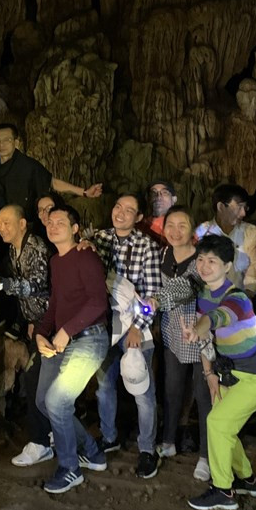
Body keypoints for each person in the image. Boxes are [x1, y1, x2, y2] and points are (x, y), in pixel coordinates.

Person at [182, 235, 256, 510]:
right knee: (223, 429)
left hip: (254, 377)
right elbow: (207, 339)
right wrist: (209, 374)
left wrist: (199, 327)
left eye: (212, 261)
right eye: (200, 259)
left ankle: (223, 491)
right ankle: (247, 479)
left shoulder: (238, 298)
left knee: (217, 424)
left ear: (228, 266)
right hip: (228, 374)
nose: (204, 266)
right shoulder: (204, 295)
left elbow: (218, 317)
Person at [34, 206, 109, 494]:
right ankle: (91, 451)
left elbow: (98, 302)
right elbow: (56, 302)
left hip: (89, 339)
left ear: (75, 229)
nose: (53, 226)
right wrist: (41, 333)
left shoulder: (85, 256)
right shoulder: (56, 261)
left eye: (61, 222)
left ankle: (70, 469)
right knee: (44, 401)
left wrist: (66, 331)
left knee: (57, 401)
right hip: (62, 340)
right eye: (50, 222)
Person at [89, 193, 163, 479]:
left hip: (134, 324)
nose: (120, 213)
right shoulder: (99, 238)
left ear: (139, 217)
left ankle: (147, 449)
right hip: (104, 323)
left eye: (129, 210)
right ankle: (109, 437)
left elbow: (151, 293)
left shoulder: (147, 246)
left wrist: (138, 326)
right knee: (104, 385)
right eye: (118, 206)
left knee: (142, 389)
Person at [0, 204, 52, 467]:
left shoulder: (35, 247)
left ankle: (42, 440)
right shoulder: (13, 250)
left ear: (22, 224)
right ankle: (49, 435)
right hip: (38, 324)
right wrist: (28, 321)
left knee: (35, 379)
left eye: (7, 222)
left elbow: (36, 285)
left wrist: (0, 283)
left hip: (52, 324)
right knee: (39, 382)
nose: (1, 228)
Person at [155, 206, 212, 482]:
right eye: (170, 225)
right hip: (172, 332)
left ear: (193, 231)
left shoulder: (202, 259)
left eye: (182, 226)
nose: (175, 231)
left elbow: (188, 286)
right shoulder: (162, 254)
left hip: (200, 332)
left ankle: (207, 456)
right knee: (172, 389)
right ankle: (168, 440)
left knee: (204, 396)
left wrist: (156, 300)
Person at [0, 123, 102, 219]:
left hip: (23, 221)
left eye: (7, 140)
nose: (1, 145)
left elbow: (51, 182)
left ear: (16, 143)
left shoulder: (27, 165)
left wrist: (84, 192)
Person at [196, 184, 256, 295]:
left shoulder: (250, 232)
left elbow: (252, 272)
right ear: (221, 207)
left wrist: (243, 299)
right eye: (239, 207)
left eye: (245, 208)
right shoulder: (202, 232)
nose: (243, 213)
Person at [137, 179, 178, 245]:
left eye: (164, 193)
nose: (158, 197)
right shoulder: (141, 226)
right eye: (153, 193)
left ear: (174, 199)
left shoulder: (183, 226)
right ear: (148, 199)